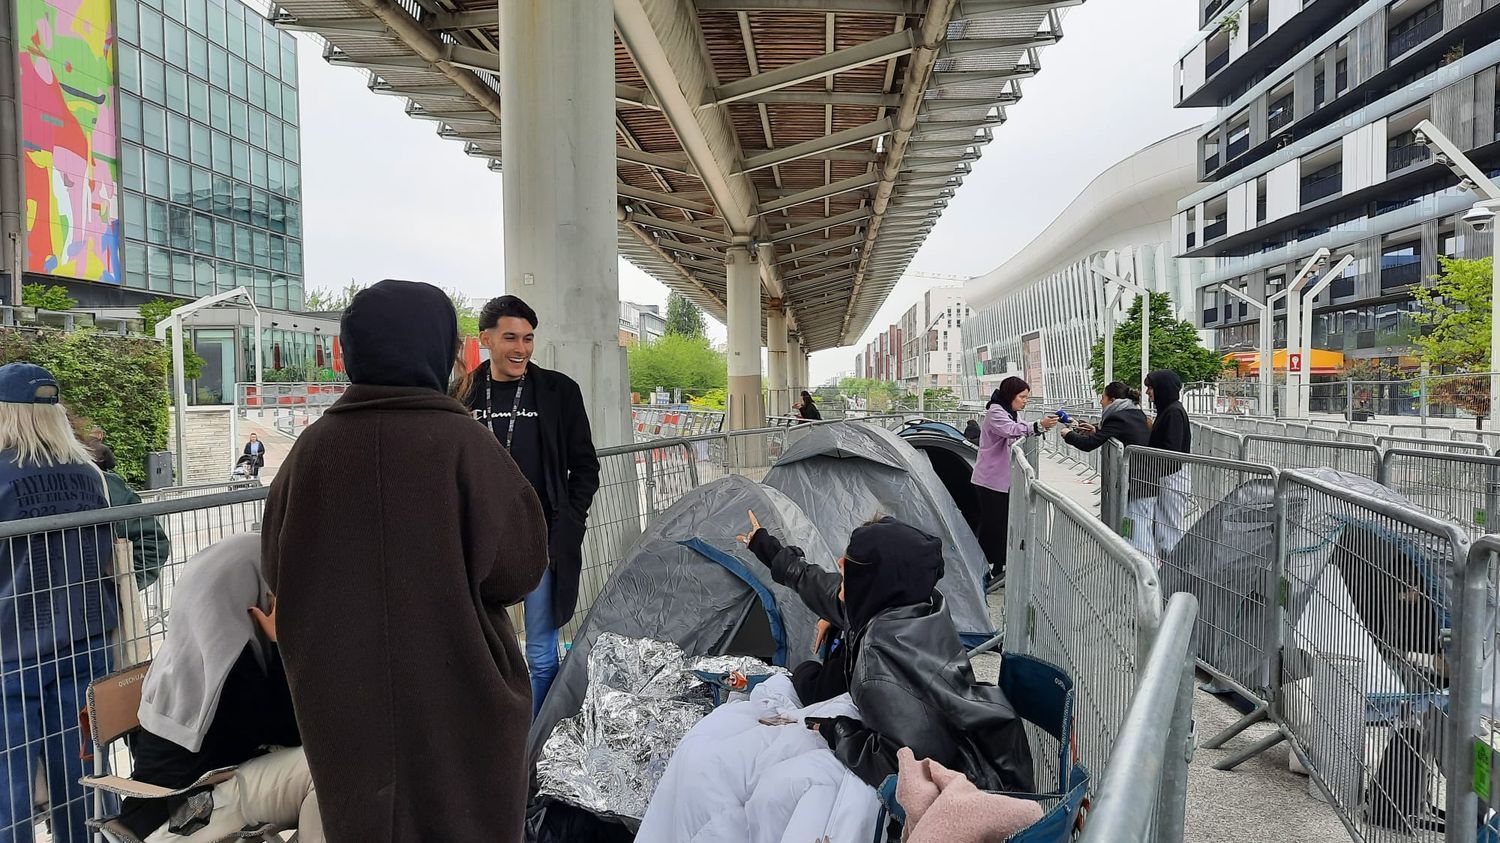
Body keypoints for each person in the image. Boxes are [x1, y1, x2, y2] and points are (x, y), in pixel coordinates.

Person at [261, 280, 550, 842]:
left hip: (344, 705)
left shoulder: (313, 449)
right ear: (441, 353)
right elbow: (518, 567)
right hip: (459, 695)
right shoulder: (466, 445)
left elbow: (277, 566)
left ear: (352, 350)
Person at [737, 513, 1034, 792]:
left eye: (850, 564)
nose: (839, 563)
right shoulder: (913, 603)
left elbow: (903, 764)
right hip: (992, 753)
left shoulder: (879, 659)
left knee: (783, 781)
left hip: (977, 785)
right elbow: (821, 587)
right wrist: (768, 548)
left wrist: (839, 731)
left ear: (872, 580)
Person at [119, 534, 321, 843]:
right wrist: (282, 643)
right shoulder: (232, 671)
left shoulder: (184, 655)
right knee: (327, 772)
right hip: (183, 820)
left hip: (174, 806)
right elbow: (293, 732)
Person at [462, 295, 600, 716]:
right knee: (481, 653)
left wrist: (569, 525)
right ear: (485, 339)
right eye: (510, 338)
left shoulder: (559, 392)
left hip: (541, 544)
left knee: (541, 655)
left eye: (528, 338)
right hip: (478, 547)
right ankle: (493, 739)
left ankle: (534, 747)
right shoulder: (460, 394)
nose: (520, 348)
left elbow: (585, 467)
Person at [0, 363, 117, 843]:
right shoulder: (90, 477)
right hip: (86, 642)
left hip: (11, 650)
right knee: (85, 778)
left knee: (9, 784)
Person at [970, 377, 1057, 584]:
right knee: (994, 525)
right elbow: (1011, 430)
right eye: (1022, 397)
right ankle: (989, 567)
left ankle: (999, 565)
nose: (1025, 401)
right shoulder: (996, 412)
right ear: (1011, 395)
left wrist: (1040, 426)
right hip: (990, 480)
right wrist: (1038, 425)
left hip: (999, 480)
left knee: (1001, 523)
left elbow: (1019, 426)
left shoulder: (1008, 412)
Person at [1127, 370, 1193, 559]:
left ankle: (1173, 572)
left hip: (1171, 476)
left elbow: (1170, 449)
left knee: (1169, 529)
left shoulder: (1173, 412)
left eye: (1151, 387)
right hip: (1166, 475)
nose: (1147, 392)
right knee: (1164, 527)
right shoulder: (1168, 411)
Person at [90, 443, 171, 590]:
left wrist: (124, 588)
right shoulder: (111, 484)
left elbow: (152, 542)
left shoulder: (110, 486)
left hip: (101, 599)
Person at [1059, 382, 1150, 454]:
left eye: (1103, 398)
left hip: (1131, 472)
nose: (1101, 402)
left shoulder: (1118, 418)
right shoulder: (1136, 413)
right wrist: (1096, 430)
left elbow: (1088, 444)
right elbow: (1116, 433)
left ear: (1112, 400)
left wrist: (1068, 434)